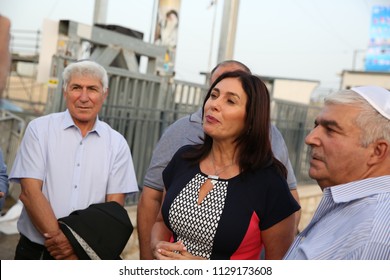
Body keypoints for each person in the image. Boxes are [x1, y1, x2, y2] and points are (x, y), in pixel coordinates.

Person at [137, 60, 301, 259]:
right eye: (213, 96)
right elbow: (161, 222)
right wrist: (157, 246)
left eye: (230, 101)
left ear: (251, 118)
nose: (214, 104)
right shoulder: (183, 159)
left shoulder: (269, 183)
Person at [9, 60, 138, 260]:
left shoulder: (117, 144)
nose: (84, 97)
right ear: (65, 92)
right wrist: (63, 246)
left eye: (92, 89)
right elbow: (29, 192)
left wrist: (74, 248)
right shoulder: (39, 130)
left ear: (105, 94)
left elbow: (112, 210)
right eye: (76, 87)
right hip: (37, 253)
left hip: (83, 258)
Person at [284, 85, 390, 260]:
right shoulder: (353, 209)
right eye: (316, 125)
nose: (310, 138)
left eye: (331, 130)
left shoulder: (370, 235)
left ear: (377, 151)